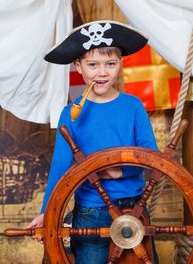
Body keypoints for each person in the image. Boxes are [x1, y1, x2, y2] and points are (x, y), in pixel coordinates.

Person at [28, 20, 159, 264]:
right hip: (91, 211)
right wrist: (47, 211)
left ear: (120, 64)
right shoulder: (70, 113)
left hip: (135, 207)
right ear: (78, 66)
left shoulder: (133, 106)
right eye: (93, 65)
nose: (102, 72)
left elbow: (151, 154)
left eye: (110, 64)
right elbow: (60, 166)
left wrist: (120, 171)